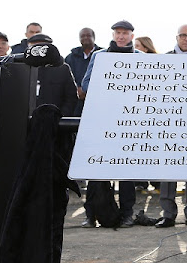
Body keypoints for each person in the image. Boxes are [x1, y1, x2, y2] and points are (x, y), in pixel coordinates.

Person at [80, 20, 142, 228]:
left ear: (132, 36)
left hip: (130, 122)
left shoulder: (140, 58)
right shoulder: (99, 56)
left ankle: (127, 214)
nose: (121, 36)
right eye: (118, 33)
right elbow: (86, 84)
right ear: (113, 35)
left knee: (127, 172)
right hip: (104, 120)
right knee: (97, 169)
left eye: (125, 33)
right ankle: (91, 214)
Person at [155, 24, 187, 228]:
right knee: (168, 170)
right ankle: (168, 213)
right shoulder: (165, 58)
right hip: (169, 123)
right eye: (183, 35)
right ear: (177, 37)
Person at [132, 35, 159, 192]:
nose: (134, 49)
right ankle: (140, 181)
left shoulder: (157, 63)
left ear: (146, 48)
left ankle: (156, 181)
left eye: (138, 46)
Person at [65, 28, 102, 117]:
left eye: (88, 35)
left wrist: (88, 90)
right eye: (82, 36)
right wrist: (77, 89)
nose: (85, 38)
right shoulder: (70, 57)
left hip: (97, 101)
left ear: (94, 37)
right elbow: (65, 77)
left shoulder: (103, 56)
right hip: (75, 102)